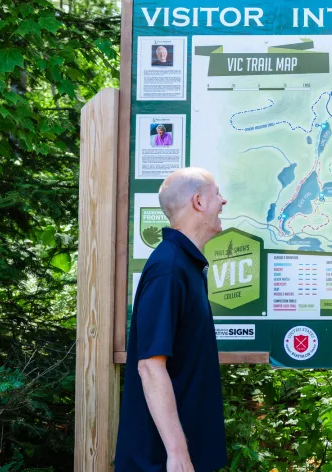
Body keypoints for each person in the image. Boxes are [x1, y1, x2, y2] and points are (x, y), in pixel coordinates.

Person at [115, 167, 228, 472]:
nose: (224, 201)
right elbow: (150, 365)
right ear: (198, 202)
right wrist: (178, 454)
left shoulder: (185, 265)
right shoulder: (169, 269)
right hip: (162, 463)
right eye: (217, 194)